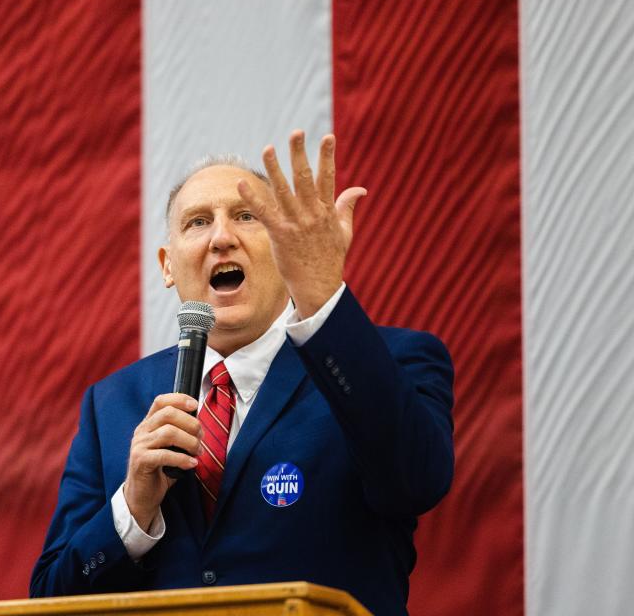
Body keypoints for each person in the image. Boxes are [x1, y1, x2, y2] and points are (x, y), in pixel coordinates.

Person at [30, 131, 454, 616]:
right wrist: (133, 509)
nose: (222, 237)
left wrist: (321, 297)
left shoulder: (390, 359)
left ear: (282, 247)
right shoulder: (112, 404)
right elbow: (51, 600)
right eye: (198, 222)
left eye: (246, 217)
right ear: (168, 266)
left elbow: (417, 481)